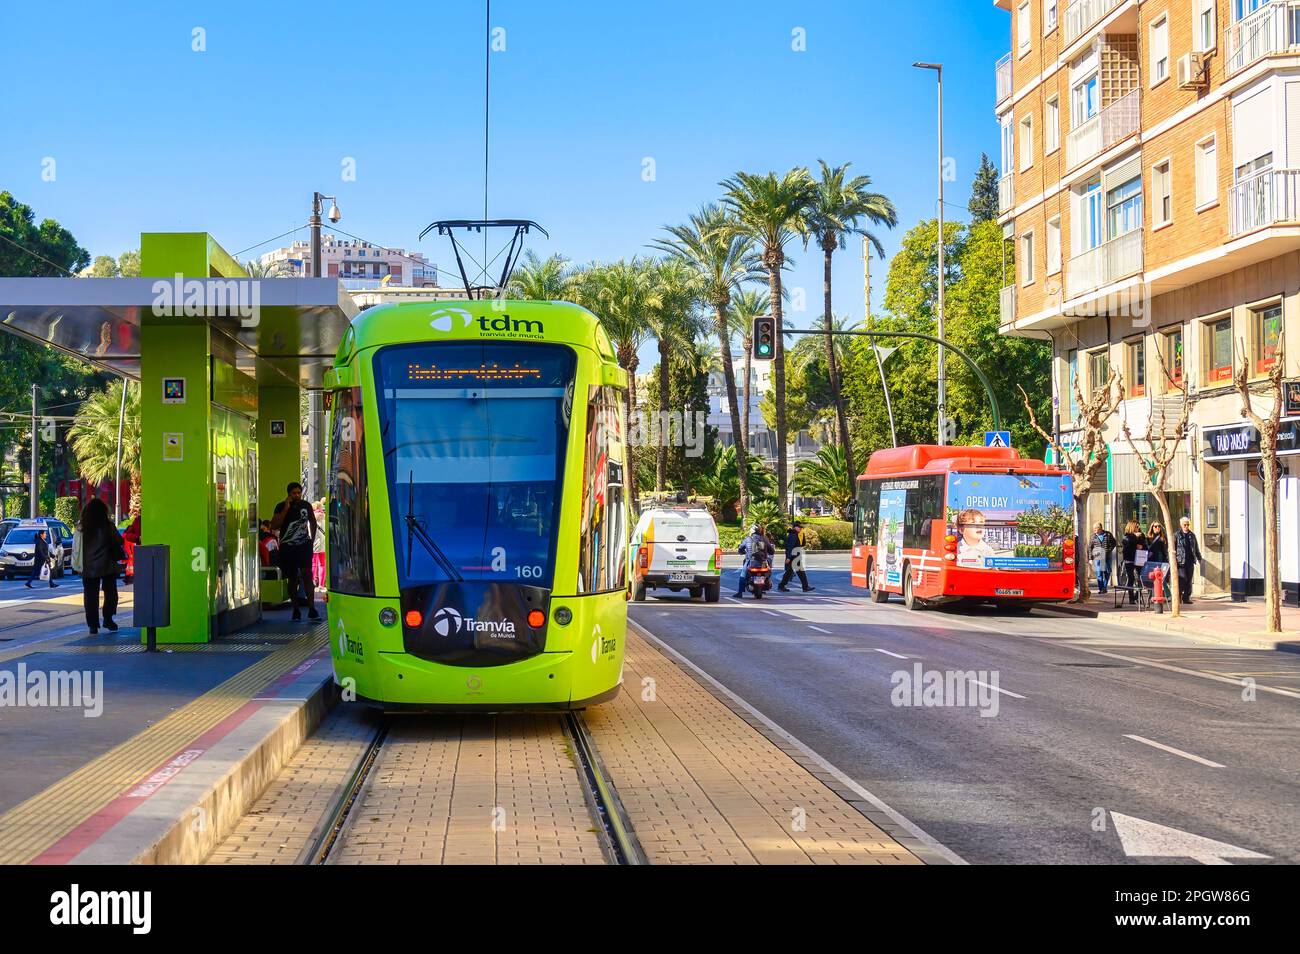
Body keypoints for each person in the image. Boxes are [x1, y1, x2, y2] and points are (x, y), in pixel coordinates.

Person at [270, 482, 320, 621]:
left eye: (299, 492)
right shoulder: (281, 506)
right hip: (287, 546)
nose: (297, 495)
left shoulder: (306, 505)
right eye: (294, 493)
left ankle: (311, 607)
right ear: (289, 494)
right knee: (292, 577)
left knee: (307, 574)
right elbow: (274, 525)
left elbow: (313, 522)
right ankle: (295, 608)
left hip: (304, 545)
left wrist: (311, 540)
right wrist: (286, 508)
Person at [79, 498, 124, 634]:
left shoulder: (81, 527)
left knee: (90, 596)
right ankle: (108, 618)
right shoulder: (107, 526)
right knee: (110, 593)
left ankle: (93, 625)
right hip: (106, 565)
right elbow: (119, 540)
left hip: (87, 567)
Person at [735, 524, 774, 598]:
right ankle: (767, 582)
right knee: (769, 570)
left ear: (751, 531)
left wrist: (741, 552)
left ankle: (740, 593)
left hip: (751, 562)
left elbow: (740, 549)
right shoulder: (764, 538)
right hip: (763, 562)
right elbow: (771, 550)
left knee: (742, 575)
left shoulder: (747, 539)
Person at [778, 520, 815, 592]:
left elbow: (803, 544)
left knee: (790, 572)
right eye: (799, 527)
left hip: (794, 556)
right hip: (793, 557)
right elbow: (790, 547)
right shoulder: (793, 535)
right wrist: (788, 557)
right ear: (795, 527)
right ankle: (805, 587)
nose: (800, 529)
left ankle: (781, 586)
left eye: (801, 527)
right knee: (799, 572)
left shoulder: (795, 534)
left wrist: (802, 535)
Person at [1174, 516, 1203, 604]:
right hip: (1180, 561)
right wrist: (1172, 560)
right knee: (1182, 579)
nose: (1186, 526)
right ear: (1181, 525)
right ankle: (1178, 596)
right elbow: (1172, 548)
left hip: (1190, 561)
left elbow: (1196, 548)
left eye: (1188, 525)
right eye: (1185, 525)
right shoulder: (1176, 535)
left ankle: (1186, 598)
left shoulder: (1192, 535)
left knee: (1189, 580)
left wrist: (1199, 558)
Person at [1120, 520, 1148, 604]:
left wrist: (1141, 544)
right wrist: (1135, 537)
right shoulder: (1127, 536)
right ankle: (1131, 598)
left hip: (1139, 559)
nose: (1138, 528)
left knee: (1141, 578)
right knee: (1131, 578)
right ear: (1132, 527)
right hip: (1130, 559)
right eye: (1136, 526)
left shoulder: (1141, 535)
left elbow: (1144, 545)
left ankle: (1137, 596)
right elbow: (1127, 545)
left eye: (1138, 526)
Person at [1143, 521, 1170, 601]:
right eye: (1155, 526)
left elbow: (1165, 549)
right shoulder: (1148, 537)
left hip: (1161, 559)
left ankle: (1168, 595)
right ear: (1152, 528)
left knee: (1162, 577)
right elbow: (1146, 548)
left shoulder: (1163, 537)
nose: (1157, 528)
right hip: (1151, 559)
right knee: (1151, 577)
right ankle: (1151, 596)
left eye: (1159, 526)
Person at [1089, 522, 1117, 595]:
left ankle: (1104, 587)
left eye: (1095, 528)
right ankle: (1101, 589)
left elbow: (1114, 543)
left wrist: (1109, 550)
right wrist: (1090, 558)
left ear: (1100, 528)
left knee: (1107, 572)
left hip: (1107, 556)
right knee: (1099, 573)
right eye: (1094, 528)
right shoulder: (1093, 536)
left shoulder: (1108, 534)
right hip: (1097, 557)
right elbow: (1090, 548)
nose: (1094, 530)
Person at [311, 498, 327, 587]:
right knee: (322, 564)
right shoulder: (325, 517)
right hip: (323, 542)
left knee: (313, 563)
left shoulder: (311, 518)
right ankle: (321, 584)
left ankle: (313, 582)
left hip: (314, 542)